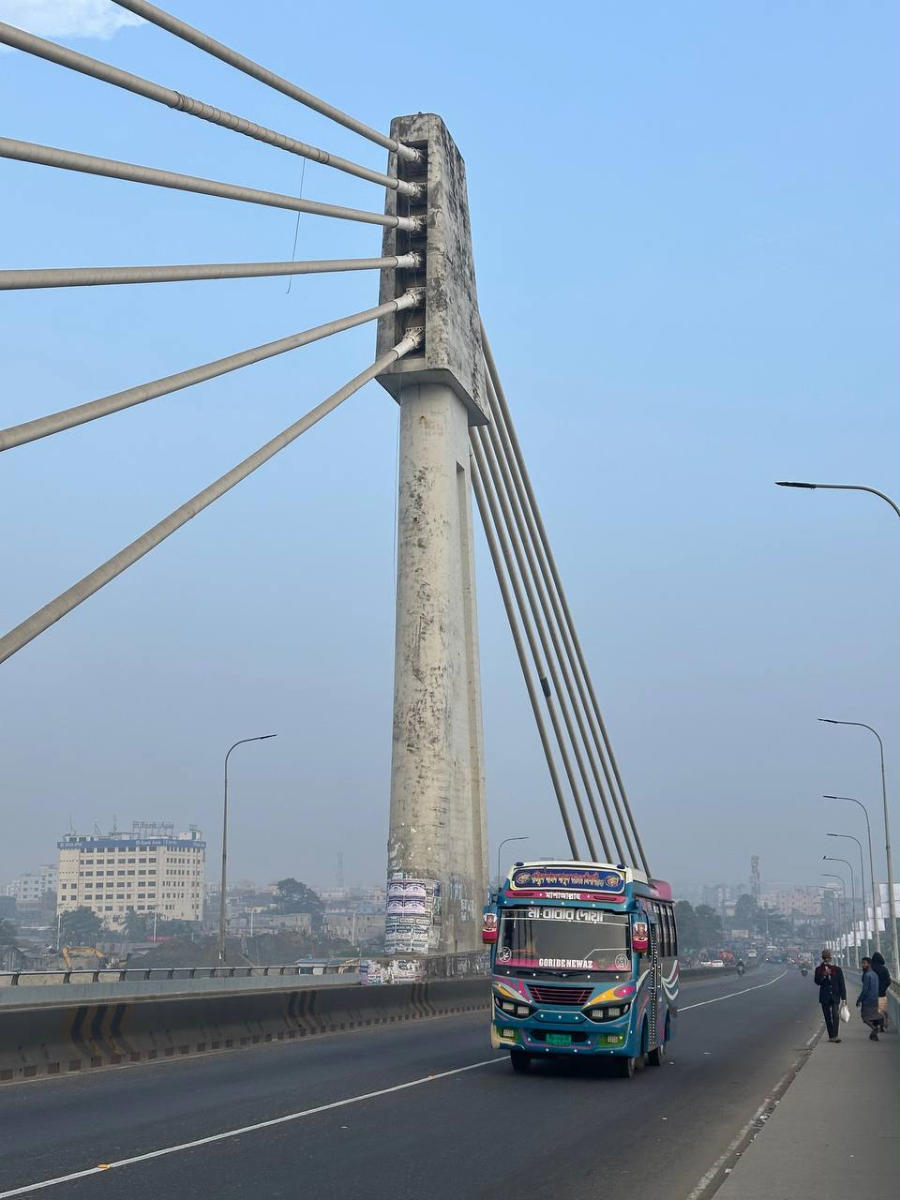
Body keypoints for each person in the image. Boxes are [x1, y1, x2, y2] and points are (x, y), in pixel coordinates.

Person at [814, 949, 846, 1042]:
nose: (826, 959)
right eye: (825, 958)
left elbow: (842, 984)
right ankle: (831, 1036)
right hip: (825, 996)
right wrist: (824, 975)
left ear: (830, 958)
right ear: (823, 958)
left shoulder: (837, 969)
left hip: (835, 996)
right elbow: (817, 982)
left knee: (835, 1015)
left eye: (828, 958)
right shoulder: (819, 970)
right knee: (827, 1016)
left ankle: (835, 1035)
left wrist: (844, 998)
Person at [856, 957, 881, 1040]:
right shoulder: (875, 974)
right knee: (874, 1016)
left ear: (869, 964)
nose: (862, 965)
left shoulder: (867, 975)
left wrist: (859, 1000)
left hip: (868, 1000)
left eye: (864, 963)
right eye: (862, 963)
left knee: (865, 1017)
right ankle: (874, 1035)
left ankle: (874, 1029)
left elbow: (865, 990)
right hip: (876, 999)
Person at [870, 951, 891, 1032]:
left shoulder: (870, 969)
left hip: (872, 994)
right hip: (882, 993)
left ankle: (876, 1026)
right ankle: (882, 1026)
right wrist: (883, 988)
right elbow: (888, 981)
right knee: (881, 1009)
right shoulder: (884, 969)